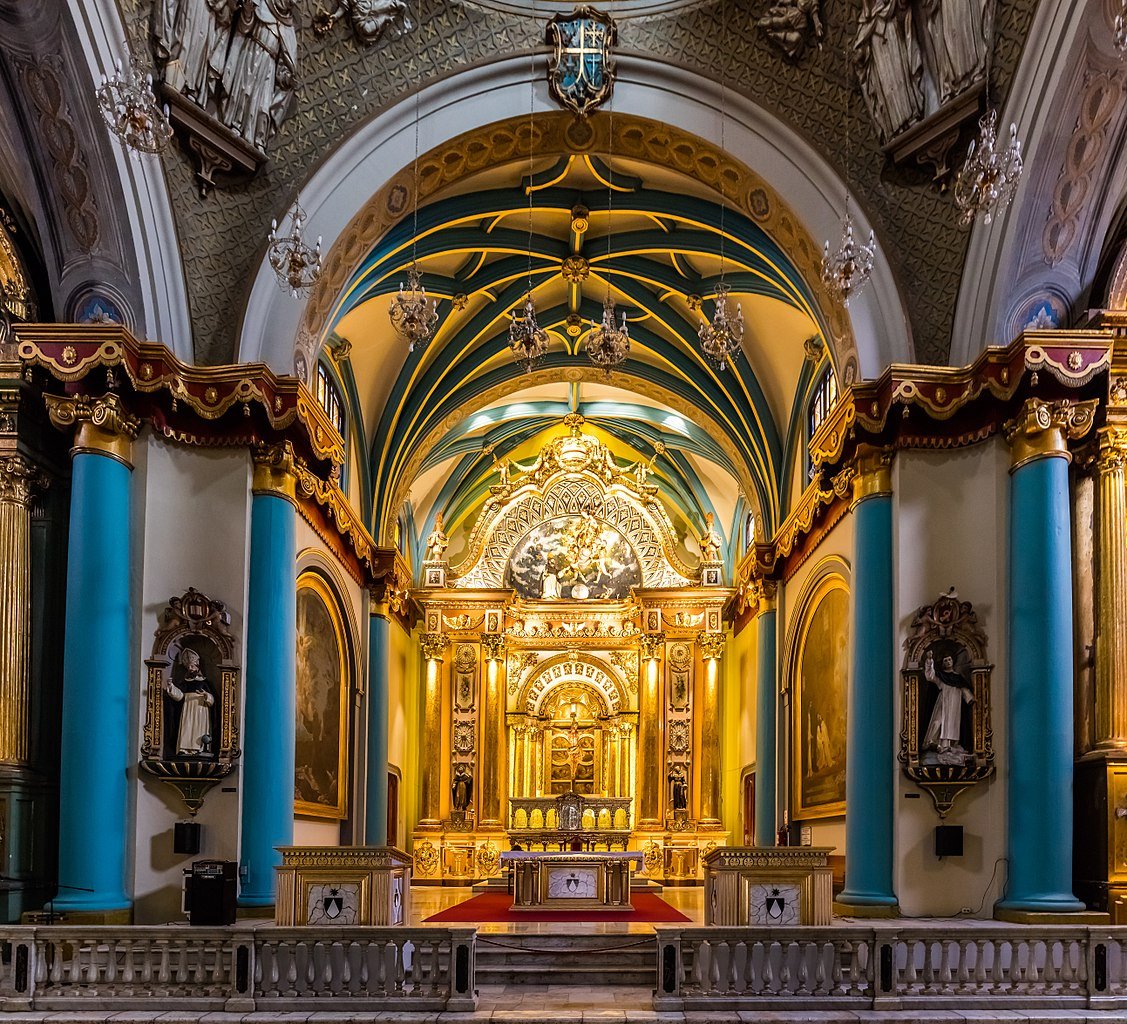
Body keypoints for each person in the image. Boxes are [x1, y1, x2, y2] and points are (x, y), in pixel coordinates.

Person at [922, 649, 974, 758]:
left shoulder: (958, 677)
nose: (948, 662)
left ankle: (949, 747)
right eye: (945, 660)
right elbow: (930, 676)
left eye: (949, 659)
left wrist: (970, 698)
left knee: (952, 724)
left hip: (955, 703)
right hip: (943, 702)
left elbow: (964, 689)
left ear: (953, 661)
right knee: (937, 722)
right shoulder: (941, 676)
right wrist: (930, 660)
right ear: (943, 663)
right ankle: (932, 743)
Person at [164, 648, 215, 756]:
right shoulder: (185, 682)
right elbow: (180, 696)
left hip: (201, 709)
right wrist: (171, 687)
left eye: (192, 666)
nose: (190, 669)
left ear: (197, 667)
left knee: (199, 729)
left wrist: (206, 695)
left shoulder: (204, 682)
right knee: (186, 727)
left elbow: (212, 701)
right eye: (188, 667)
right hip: (187, 708)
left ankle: (198, 750)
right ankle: (184, 750)